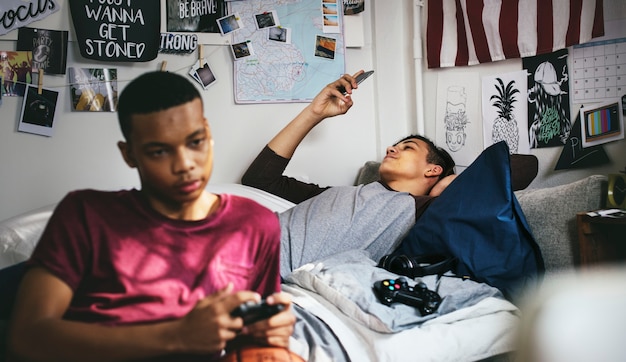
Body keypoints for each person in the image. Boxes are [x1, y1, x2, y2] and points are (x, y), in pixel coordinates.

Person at [7, 71, 295, 361]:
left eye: (195, 142)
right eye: (159, 152)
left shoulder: (255, 224)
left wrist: (269, 339)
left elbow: (250, 338)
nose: (184, 165)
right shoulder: (84, 215)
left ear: (207, 132)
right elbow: (27, 337)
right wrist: (178, 335)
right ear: (129, 154)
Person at [242, 70, 457, 276]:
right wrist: (314, 113)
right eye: (395, 146)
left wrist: (442, 188)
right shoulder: (337, 195)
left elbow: (479, 190)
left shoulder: (420, 210)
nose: (391, 149)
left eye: (408, 147)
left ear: (433, 170)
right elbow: (259, 179)